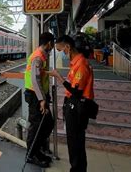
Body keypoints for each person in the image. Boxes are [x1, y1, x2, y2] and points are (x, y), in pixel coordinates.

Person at [50, 35, 95, 172]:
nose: (62, 53)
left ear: (68, 47)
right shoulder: (76, 63)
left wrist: (59, 77)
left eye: (61, 50)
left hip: (78, 107)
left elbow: (76, 91)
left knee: (75, 141)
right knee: (74, 141)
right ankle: (77, 168)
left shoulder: (81, 64)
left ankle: (77, 169)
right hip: (73, 106)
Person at [24, 32, 55, 168]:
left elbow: (40, 76)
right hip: (35, 96)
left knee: (47, 124)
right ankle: (30, 155)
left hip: (40, 95)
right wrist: (42, 99)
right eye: (52, 43)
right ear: (49, 43)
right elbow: (34, 80)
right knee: (36, 126)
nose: (53, 46)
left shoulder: (43, 55)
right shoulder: (38, 57)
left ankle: (37, 151)